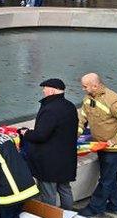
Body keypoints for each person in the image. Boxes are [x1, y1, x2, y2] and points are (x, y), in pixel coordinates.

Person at [18, 78, 77, 210]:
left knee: (48, 193)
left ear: (52, 90)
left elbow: (41, 135)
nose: (43, 91)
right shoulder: (70, 106)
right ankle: (68, 216)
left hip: (49, 161)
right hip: (66, 158)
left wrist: (26, 133)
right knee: (65, 189)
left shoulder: (50, 109)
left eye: (44, 88)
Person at [77, 72, 117, 217]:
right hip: (102, 145)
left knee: (106, 180)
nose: (83, 89)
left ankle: (95, 208)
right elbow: (82, 119)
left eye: (85, 86)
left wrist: (114, 141)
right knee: (110, 177)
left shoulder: (112, 100)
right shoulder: (88, 99)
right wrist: (75, 136)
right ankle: (115, 207)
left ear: (95, 85)